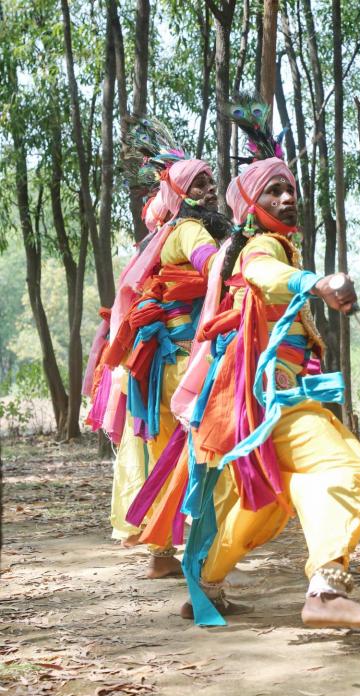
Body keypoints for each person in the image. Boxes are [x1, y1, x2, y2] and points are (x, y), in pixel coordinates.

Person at [173, 152, 360, 632]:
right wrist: (315, 282)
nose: (288, 198)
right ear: (251, 206)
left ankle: (204, 588)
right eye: (274, 191)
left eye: (291, 189)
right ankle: (326, 590)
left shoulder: (275, 245)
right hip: (267, 397)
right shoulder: (261, 247)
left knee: (265, 503)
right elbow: (263, 276)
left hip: (251, 401)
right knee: (342, 465)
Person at [83, 118, 233, 579]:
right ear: (181, 195)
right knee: (210, 453)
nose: (210, 190)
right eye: (200, 183)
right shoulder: (191, 232)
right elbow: (215, 269)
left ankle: (162, 554)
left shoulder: (160, 240)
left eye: (212, 181)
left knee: (164, 452)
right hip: (188, 364)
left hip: (158, 368)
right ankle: (207, 556)